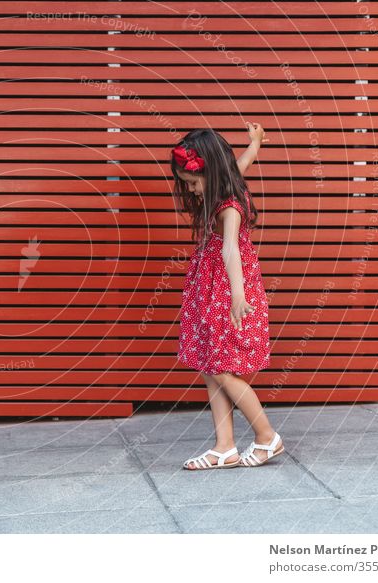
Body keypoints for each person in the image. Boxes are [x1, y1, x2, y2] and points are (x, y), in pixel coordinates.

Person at [171, 123, 285, 470]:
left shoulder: (229, 206)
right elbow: (244, 161)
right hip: (211, 289)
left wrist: (237, 295)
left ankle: (267, 437)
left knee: (223, 368)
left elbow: (231, 250)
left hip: (226, 292)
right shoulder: (226, 180)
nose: (192, 190)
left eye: (192, 182)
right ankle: (225, 447)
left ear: (213, 173)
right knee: (211, 367)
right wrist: (255, 143)